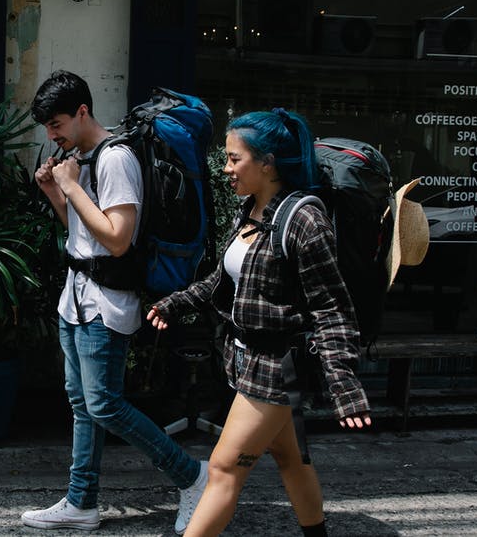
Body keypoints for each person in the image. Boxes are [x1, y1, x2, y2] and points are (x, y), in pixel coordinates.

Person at [147, 108, 373, 537]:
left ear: (267, 162)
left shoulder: (305, 220)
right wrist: (175, 304)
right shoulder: (250, 210)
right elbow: (224, 279)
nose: (226, 168)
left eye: (235, 159)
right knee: (292, 458)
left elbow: (332, 308)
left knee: (223, 469)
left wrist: (343, 384)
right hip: (245, 358)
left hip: (277, 368)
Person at [22, 70, 207, 534]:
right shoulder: (81, 159)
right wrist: (54, 191)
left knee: (104, 404)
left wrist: (70, 186)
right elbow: (85, 232)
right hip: (75, 299)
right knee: (82, 404)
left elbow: (118, 240)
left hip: (106, 303)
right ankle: (81, 502)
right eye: (47, 128)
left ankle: (193, 476)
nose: (53, 135)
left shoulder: (116, 158)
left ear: (83, 112)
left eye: (58, 124)